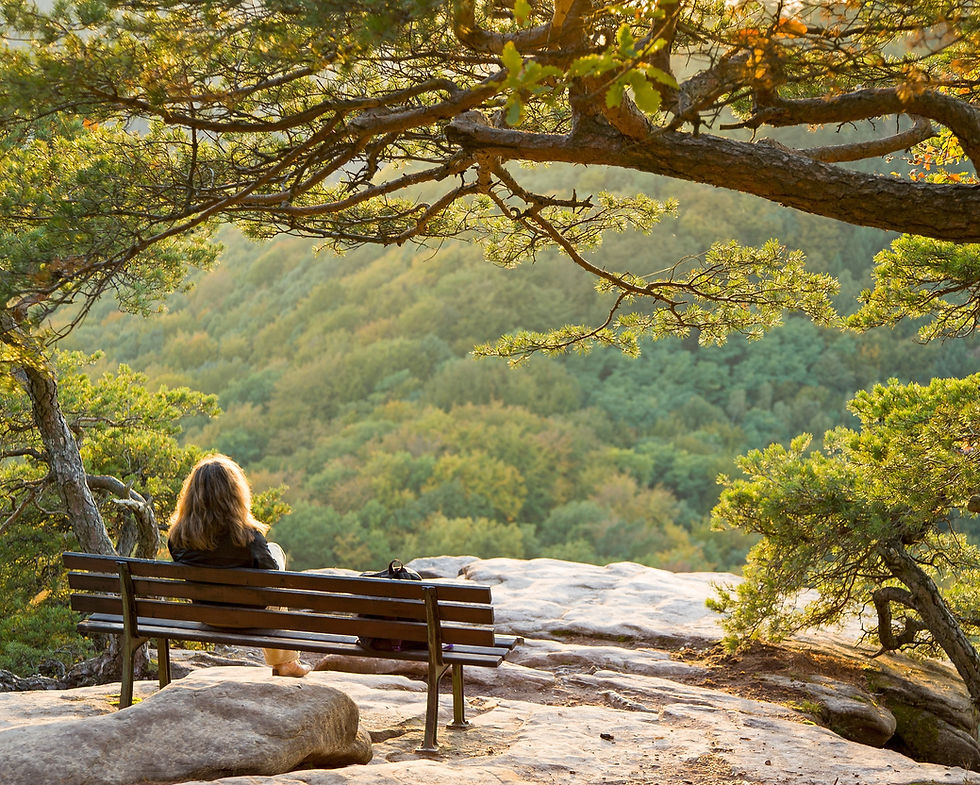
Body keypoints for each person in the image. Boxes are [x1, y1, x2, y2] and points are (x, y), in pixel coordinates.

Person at [167, 454, 310, 678]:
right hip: (247, 617)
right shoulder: (249, 538)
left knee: (271, 560)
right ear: (235, 494)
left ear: (192, 496)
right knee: (275, 554)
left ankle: (286, 662)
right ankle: (286, 662)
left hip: (207, 615)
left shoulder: (178, 538)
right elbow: (272, 584)